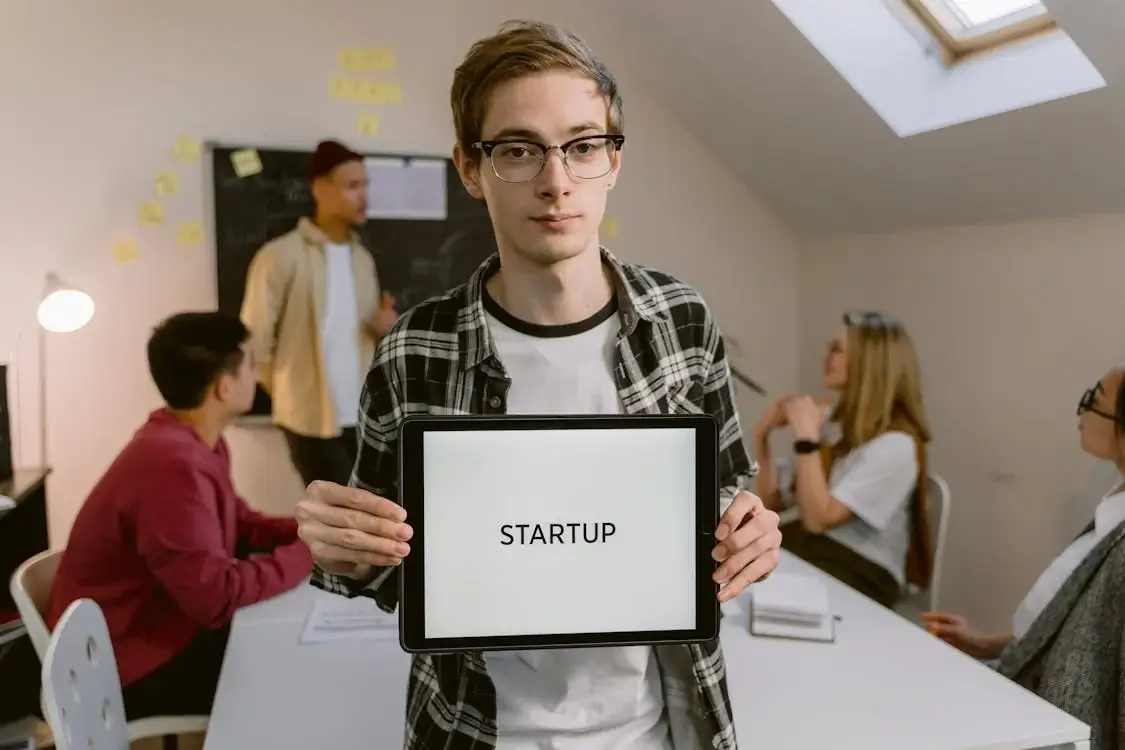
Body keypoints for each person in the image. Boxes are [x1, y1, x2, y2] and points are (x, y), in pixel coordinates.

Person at [291, 20, 782, 750]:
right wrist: (347, 553)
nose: (556, 182)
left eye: (583, 146)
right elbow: (395, 572)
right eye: (518, 150)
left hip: (658, 728)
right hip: (472, 729)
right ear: (469, 166)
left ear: (613, 162)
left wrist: (753, 534)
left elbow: (726, 490)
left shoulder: (681, 320)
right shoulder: (413, 350)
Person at [47, 311, 313, 720]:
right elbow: (217, 598)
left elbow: (238, 525)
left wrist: (310, 528)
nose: (257, 375)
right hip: (125, 666)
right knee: (287, 673)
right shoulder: (171, 466)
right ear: (224, 387)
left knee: (286, 642)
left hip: (161, 629)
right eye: (249, 365)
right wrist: (310, 554)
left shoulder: (194, 442)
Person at [925, 362, 1125, 749]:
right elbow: (1070, 633)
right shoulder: (1113, 510)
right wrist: (986, 643)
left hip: (1049, 725)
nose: (1082, 412)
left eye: (1094, 400)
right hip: (1024, 696)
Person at [241, 139, 398, 487]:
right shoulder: (281, 255)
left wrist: (382, 328)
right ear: (320, 189)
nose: (363, 196)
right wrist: (289, 394)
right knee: (336, 521)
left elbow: (359, 332)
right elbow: (256, 339)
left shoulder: (362, 258)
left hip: (363, 416)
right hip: (308, 418)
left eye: (365, 185)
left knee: (372, 517)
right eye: (352, 186)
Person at [754, 311, 933, 607]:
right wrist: (762, 438)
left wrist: (806, 439)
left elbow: (818, 519)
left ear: (868, 363)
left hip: (862, 568)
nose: (827, 357)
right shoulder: (835, 427)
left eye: (837, 350)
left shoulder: (897, 445)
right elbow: (772, 502)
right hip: (817, 550)